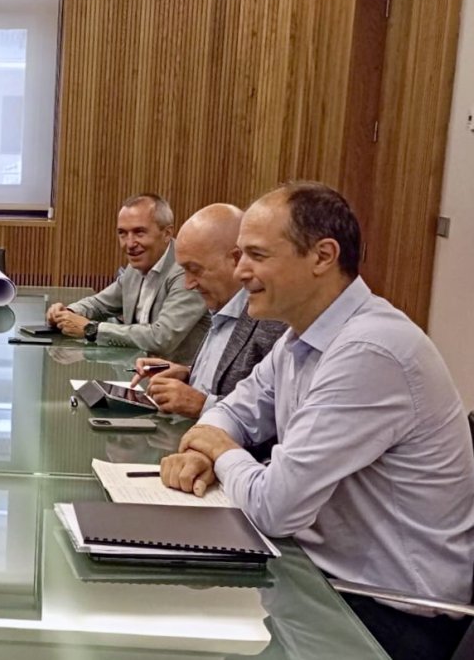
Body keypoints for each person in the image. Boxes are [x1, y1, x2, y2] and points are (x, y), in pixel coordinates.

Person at [159, 182, 474, 660]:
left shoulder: (370, 350)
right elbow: (232, 409)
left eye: (257, 255)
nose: (241, 271)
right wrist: (210, 441)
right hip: (320, 584)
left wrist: (221, 453)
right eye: (240, 254)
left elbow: (275, 508)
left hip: (388, 618)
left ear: (323, 256)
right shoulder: (300, 339)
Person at [129, 203, 286, 419]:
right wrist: (187, 373)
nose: (188, 284)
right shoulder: (221, 307)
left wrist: (202, 404)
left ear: (237, 259)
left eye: (195, 270)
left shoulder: (272, 321)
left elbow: (278, 420)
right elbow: (227, 381)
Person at [46, 193, 209, 364]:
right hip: (134, 374)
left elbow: (162, 338)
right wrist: (68, 313)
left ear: (167, 233)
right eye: (123, 234)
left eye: (139, 232)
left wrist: (92, 329)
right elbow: (100, 304)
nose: (129, 244)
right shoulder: (136, 267)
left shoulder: (186, 271)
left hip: (177, 383)